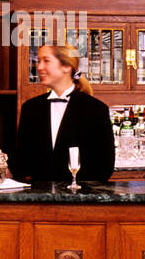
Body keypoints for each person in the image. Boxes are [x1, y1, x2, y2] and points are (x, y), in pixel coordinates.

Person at [11, 44, 115, 184]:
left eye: (46, 61)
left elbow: (104, 167)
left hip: (80, 200)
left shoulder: (96, 109)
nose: (39, 66)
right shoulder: (30, 108)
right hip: (38, 200)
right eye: (38, 61)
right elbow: (22, 162)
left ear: (67, 67)